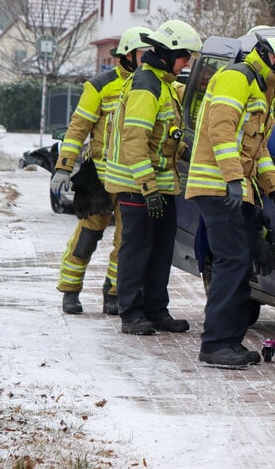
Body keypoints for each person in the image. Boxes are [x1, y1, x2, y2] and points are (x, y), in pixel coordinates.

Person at [187, 33, 275, 367]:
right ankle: (216, 344)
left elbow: (259, 149)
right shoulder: (237, 78)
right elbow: (221, 132)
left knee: (240, 263)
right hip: (217, 186)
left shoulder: (262, 89)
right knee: (232, 262)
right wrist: (231, 179)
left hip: (234, 188)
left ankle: (228, 341)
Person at [104, 19, 202, 335]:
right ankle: (131, 313)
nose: (186, 63)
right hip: (138, 185)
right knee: (137, 250)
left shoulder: (163, 83)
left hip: (160, 184)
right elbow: (135, 141)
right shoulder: (146, 85)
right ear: (170, 53)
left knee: (160, 251)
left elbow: (163, 135)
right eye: (185, 56)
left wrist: (185, 151)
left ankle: (156, 310)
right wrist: (148, 188)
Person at [51, 27, 149, 315]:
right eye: (144, 53)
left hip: (131, 178)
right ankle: (70, 290)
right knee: (87, 237)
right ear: (128, 55)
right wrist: (64, 166)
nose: (148, 59)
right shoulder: (100, 86)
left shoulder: (148, 86)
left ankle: (114, 293)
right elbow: (78, 128)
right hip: (99, 179)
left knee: (125, 242)